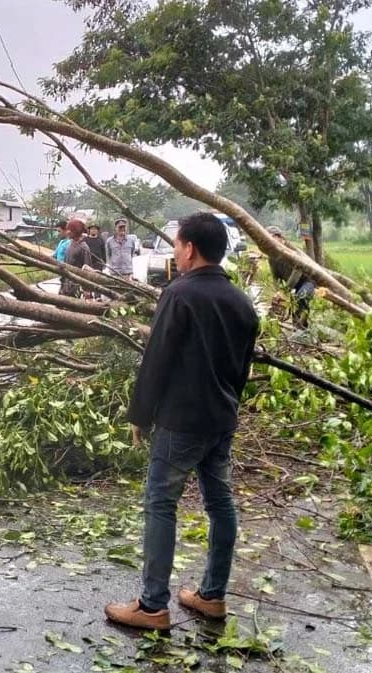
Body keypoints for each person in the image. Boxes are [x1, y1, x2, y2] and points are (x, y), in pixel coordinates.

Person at [104, 212, 260, 630]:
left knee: (161, 503)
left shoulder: (180, 294)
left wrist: (140, 413)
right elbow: (243, 368)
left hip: (182, 420)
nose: (176, 251)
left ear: (190, 249)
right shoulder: (242, 302)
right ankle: (212, 596)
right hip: (221, 419)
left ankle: (152, 605)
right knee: (219, 502)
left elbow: (158, 358)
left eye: (176, 244)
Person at [265, 226, 317, 327]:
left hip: (307, 281)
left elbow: (297, 272)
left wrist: (285, 290)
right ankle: (297, 329)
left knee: (301, 297)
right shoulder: (272, 256)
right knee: (293, 307)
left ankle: (302, 329)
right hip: (293, 285)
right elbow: (275, 277)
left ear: (281, 238)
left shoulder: (293, 251)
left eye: (272, 237)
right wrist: (278, 292)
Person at [60, 219, 89, 297]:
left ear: (75, 231)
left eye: (69, 230)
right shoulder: (69, 244)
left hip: (75, 285)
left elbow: (87, 269)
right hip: (66, 283)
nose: (67, 232)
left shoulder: (84, 247)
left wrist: (86, 289)